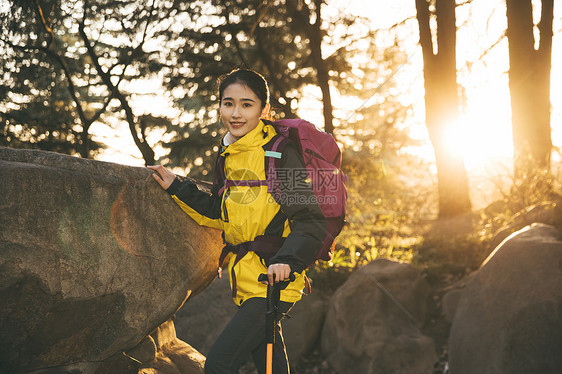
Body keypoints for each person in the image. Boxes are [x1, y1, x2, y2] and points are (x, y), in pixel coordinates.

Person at [148, 68, 326, 374]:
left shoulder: (280, 153)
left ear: (265, 109)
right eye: (228, 103)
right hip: (247, 280)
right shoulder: (227, 154)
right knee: (270, 365)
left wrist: (286, 260)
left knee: (219, 364)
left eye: (247, 104)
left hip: (274, 281)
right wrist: (177, 186)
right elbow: (220, 211)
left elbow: (311, 220)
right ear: (219, 106)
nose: (236, 113)